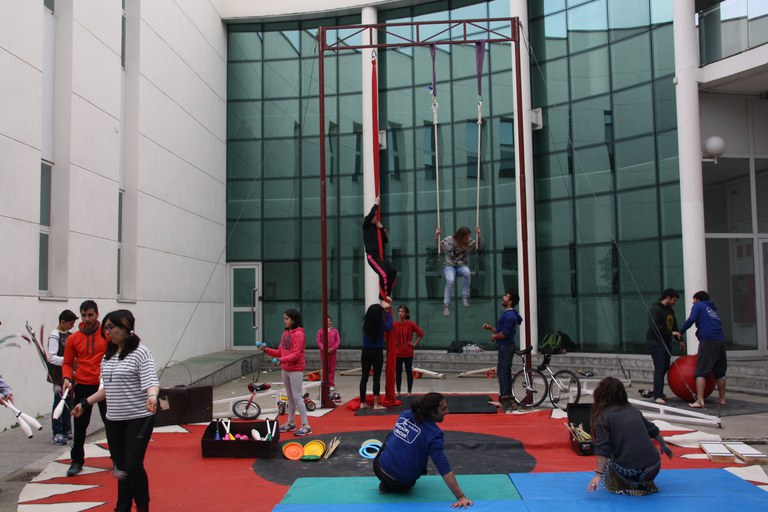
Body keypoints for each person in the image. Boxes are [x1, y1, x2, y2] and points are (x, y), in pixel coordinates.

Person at [71, 309, 159, 512]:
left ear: (125, 327)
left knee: (133, 465)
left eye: (111, 327)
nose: (107, 332)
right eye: (105, 328)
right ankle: (122, 506)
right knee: (121, 467)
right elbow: (107, 389)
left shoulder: (141, 352)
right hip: (114, 420)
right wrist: (85, 403)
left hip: (138, 418)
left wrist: (152, 397)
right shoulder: (108, 356)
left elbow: (151, 382)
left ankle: (142, 507)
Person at [374, 392, 473, 508]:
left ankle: (386, 484)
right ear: (432, 412)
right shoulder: (434, 434)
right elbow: (443, 466)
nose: (447, 411)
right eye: (443, 409)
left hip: (379, 470)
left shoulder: (405, 414)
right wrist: (461, 496)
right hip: (403, 483)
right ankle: (392, 482)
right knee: (406, 444)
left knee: (392, 436)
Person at [587, 376, 673, 495]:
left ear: (599, 394)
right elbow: (652, 429)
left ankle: (628, 486)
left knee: (610, 459)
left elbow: (602, 449)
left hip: (633, 471)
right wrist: (663, 445)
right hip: (654, 466)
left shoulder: (602, 417)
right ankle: (644, 484)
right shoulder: (633, 410)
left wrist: (598, 475)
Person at [62, 299, 108, 476]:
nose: (87, 319)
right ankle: (76, 461)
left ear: (97, 314)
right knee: (80, 426)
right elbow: (67, 363)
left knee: (110, 423)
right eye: (84, 315)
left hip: (103, 385)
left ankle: (117, 459)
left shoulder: (107, 335)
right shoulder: (73, 338)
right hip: (82, 385)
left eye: (90, 315)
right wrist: (66, 378)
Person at [262, 309, 311, 436]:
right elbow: (280, 352)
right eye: (284, 318)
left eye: (286, 319)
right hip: (285, 369)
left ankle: (306, 425)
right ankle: (291, 423)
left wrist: (281, 360)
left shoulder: (299, 334)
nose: (284, 321)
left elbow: (297, 354)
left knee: (297, 397)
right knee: (290, 397)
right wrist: (266, 350)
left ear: (293, 320)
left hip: (296, 370)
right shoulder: (285, 333)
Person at [679, 291, 727, 408]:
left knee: (700, 371)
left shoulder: (698, 306)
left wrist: (681, 331)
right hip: (720, 340)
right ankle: (722, 399)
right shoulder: (713, 310)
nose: (692, 302)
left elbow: (691, 319)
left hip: (708, 340)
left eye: (693, 300)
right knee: (720, 371)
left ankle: (700, 401)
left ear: (697, 299)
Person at [482, 290, 523, 412]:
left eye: (506, 297)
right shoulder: (511, 314)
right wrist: (490, 329)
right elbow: (502, 331)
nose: (503, 297)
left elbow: (504, 334)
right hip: (506, 346)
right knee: (505, 372)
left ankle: (506, 400)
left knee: (503, 373)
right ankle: (507, 399)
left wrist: (494, 336)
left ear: (510, 302)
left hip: (506, 346)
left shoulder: (509, 316)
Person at [644, 289, 685, 405]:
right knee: (660, 367)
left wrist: (680, 340)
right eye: (674, 300)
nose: (675, 303)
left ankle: (660, 392)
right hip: (656, 341)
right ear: (667, 298)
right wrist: (671, 333)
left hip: (666, 341)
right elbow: (654, 327)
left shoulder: (670, 311)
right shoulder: (655, 309)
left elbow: (674, 326)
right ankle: (657, 395)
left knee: (665, 366)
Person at [47, 309, 78, 445]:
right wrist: (69, 360)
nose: (72, 326)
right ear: (62, 322)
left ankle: (67, 429)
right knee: (59, 401)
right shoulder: (55, 336)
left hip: (70, 374)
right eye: (70, 323)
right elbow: (52, 358)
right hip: (58, 376)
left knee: (69, 402)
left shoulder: (71, 334)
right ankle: (57, 432)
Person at [436, 226, 482, 317]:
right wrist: (437, 235)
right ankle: (446, 306)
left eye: (468, 237)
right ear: (461, 236)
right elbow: (438, 246)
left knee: (467, 273)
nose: (467, 239)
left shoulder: (468, 242)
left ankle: (465, 297)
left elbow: (478, 247)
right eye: (466, 237)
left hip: (461, 265)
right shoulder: (449, 240)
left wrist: (479, 235)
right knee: (450, 281)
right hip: (449, 266)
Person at [359, 301, 393, 410]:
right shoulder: (381, 325)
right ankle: (376, 404)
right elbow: (390, 326)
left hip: (366, 351)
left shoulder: (366, 324)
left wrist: (380, 307)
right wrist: (387, 311)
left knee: (364, 377)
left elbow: (368, 315)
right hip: (377, 352)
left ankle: (362, 403)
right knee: (376, 378)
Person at [364, 196, 397, 302]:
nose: (375, 218)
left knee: (392, 271)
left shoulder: (377, 228)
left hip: (381, 255)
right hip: (372, 256)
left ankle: (386, 293)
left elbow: (386, 240)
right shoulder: (366, 226)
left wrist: (381, 227)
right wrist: (376, 203)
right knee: (383, 274)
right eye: (374, 217)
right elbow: (370, 215)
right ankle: (384, 296)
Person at [387, 305, 424, 396]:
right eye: (399, 311)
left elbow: (421, 333)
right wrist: (393, 343)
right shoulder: (394, 325)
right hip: (397, 353)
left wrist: (414, 343)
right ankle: (398, 391)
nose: (400, 313)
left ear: (406, 314)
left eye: (402, 312)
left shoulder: (411, 324)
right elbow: (386, 336)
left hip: (408, 353)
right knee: (398, 373)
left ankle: (409, 391)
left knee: (408, 372)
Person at [316, 315, 341, 390]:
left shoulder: (335, 331)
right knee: (325, 368)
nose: (328, 322)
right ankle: (325, 383)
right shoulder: (320, 331)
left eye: (329, 321)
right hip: (324, 353)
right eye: (326, 321)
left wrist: (333, 348)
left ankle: (331, 384)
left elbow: (338, 341)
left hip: (333, 352)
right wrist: (324, 348)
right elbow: (318, 341)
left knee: (332, 368)